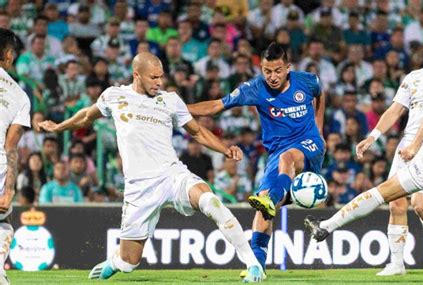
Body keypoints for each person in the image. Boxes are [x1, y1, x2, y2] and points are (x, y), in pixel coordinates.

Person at [38, 52, 263, 283]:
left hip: (172, 175)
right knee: (129, 263)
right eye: (153, 77)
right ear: (137, 75)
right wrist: (57, 128)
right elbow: (86, 116)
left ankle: (254, 265)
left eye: (161, 77)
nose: (159, 82)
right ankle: (116, 261)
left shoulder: (170, 100)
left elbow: (197, 132)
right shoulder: (114, 96)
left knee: (210, 201)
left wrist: (225, 149)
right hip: (139, 188)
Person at [305, 73, 423, 274]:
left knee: (389, 194)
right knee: (390, 197)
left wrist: (415, 145)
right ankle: (327, 226)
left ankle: (327, 225)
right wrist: (413, 145)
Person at [187, 43, 325, 275]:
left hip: (308, 147)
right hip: (277, 154)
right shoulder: (254, 88)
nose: (272, 76)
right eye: (267, 71)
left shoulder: (308, 80)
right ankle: (256, 268)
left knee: (288, 159)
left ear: (288, 67)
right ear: (261, 68)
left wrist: (319, 130)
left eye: (278, 70)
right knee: (263, 207)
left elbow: (320, 95)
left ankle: (272, 199)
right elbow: (216, 106)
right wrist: (177, 107)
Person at [355, 26, 423, 276]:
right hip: (406, 147)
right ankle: (396, 264)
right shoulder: (413, 77)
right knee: (395, 204)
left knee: (419, 204)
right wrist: (372, 136)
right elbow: (395, 110)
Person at [0, 28, 31, 285]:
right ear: (9, 55)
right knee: (2, 220)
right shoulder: (19, 95)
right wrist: (9, 188)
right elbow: (11, 147)